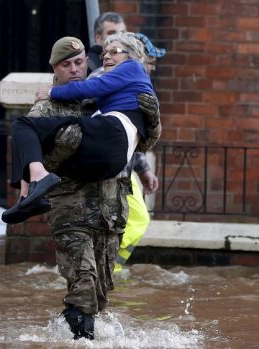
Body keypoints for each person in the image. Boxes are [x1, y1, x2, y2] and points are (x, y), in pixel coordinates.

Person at [2, 35, 161, 340]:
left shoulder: (102, 98)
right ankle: (77, 337)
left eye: (79, 62)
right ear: (55, 69)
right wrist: (67, 144)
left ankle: (73, 335)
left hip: (110, 211)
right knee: (84, 283)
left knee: (100, 291)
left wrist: (152, 119)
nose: (75, 69)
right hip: (71, 210)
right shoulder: (46, 108)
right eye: (67, 64)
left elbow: (137, 142)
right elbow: (34, 152)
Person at [5, 32, 156, 221]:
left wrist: (52, 92)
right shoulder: (121, 86)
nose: (107, 56)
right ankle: (28, 195)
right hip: (109, 164)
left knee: (22, 124)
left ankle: (30, 189)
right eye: (104, 54)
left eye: (114, 51)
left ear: (132, 55)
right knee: (31, 134)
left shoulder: (132, 67)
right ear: (54, 68)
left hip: (113, 141)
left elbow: (91, 87)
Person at [114, 33, 165, 273]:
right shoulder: (117, 83)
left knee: (136, 221)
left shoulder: (138, 84)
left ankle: (109, 271)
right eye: (150, 60)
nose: (153, 67)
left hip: (124, 172)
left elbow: (135, 136)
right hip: (111, 173)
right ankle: (105, 271)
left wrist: (143, 170)